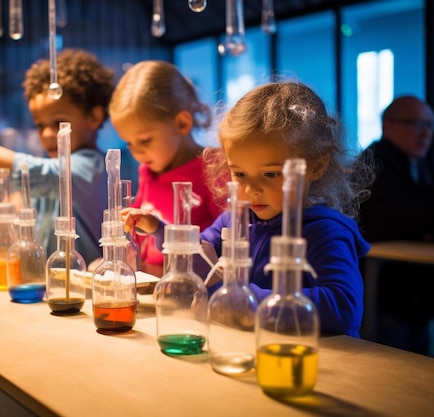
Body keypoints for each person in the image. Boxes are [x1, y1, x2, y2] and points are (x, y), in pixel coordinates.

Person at [122, 81, 372, 337]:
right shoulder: (233, 220)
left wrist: (244, 298)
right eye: (239, 173)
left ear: (316, 166)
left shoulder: (326, 232)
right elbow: (198, 256)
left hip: (314, 361)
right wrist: (160, 230)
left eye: (271, 173)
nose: (251, 189)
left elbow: (343, 308)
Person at [0, 49, 115, 264]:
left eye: (58, 123)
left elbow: (44, 174)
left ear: (94, 117)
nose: (47, 134)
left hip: (83, 290)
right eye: (39, 125)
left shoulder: (93, 167)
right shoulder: (44, 180)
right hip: (46, 285)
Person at [108, 60, 223, 276]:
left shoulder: (215, 168)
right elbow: (137, 232)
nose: (136, 152)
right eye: (129, 143)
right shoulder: (147, 172)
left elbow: (226, 239)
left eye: (144, 140)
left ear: (181, 123)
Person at [358, 95, 434, 355]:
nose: (425, 133)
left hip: (416, 291)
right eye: (416, 123)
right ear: (388, 125)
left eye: (429, 125)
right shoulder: (374, 162)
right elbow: (386, 221)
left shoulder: (422, 163)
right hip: (386, 291)